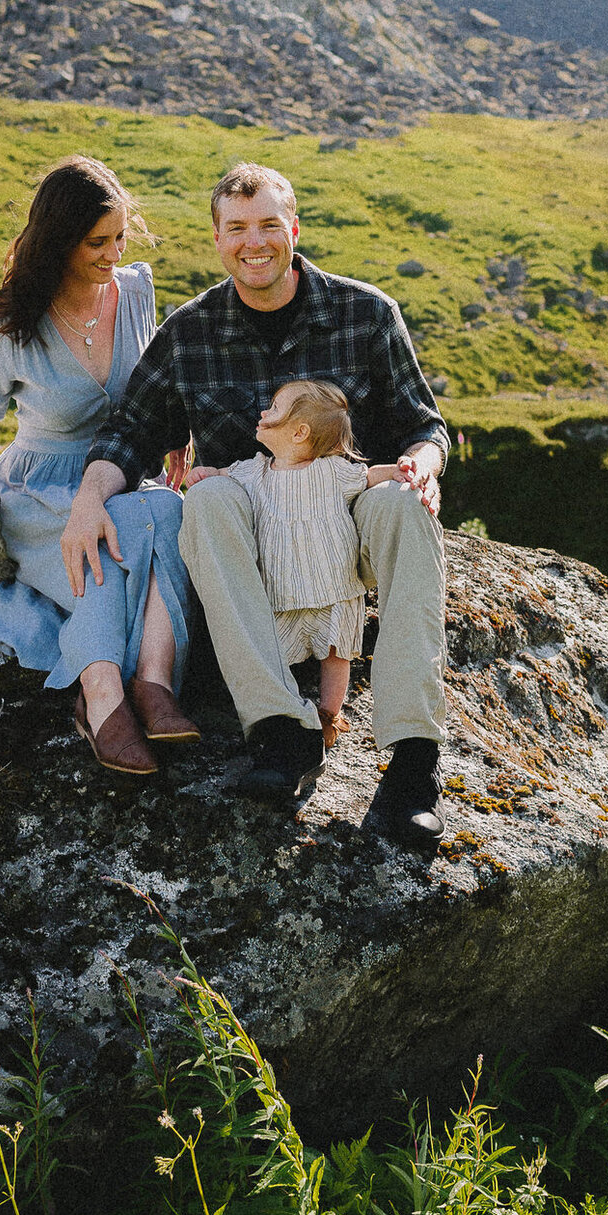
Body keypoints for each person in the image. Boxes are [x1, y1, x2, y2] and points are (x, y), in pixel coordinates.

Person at [65, 162, 452, 849]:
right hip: (250, 541)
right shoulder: (191, 332)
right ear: (217, 239)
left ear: (293, 230)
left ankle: (414, 765)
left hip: (345, 526)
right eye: (237, 228)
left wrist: (424, 464)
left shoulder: (367, 314)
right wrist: (89, 496)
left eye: (269, 225)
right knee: (206, 498)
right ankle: (280, 733)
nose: (255, 242)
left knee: (403, 505)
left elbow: (424, 424)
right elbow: (130, 430)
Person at [0, 156, 197, 777]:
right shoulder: (7, 326)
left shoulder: (136, 290)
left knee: (172, 511)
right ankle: (105, 694)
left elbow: (156, 388)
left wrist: (175, 440)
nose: (112, 255)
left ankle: (148, 685)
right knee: (106, 546)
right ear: (58, 241)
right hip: (41, 490)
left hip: (126, 477)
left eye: (119, 238)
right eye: (95, 243)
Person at [186, 380, 409, 750]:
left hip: (333, 586)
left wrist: (402, 470)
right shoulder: (255, 471)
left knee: (336, 655)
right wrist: (204, 474)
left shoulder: (332, 471)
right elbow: (223, 475)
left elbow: (369, 475)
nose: (262, 412)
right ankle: (284, 707)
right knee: (277, 648)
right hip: (282, 590)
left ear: (300, 432)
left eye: (274, 409)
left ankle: (328, 713)